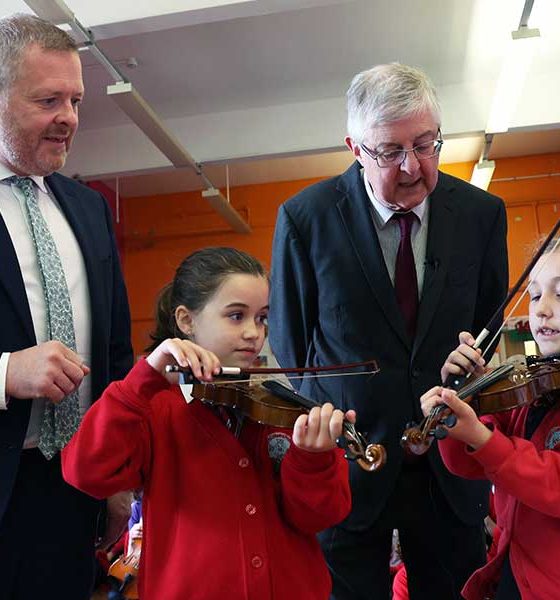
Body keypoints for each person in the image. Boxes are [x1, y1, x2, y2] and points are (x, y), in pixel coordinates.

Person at [268, 62, 509, 599]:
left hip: (449, 463)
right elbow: (291, 351)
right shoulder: (304, 219)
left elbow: (489, 329)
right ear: (354, 148)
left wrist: (477, 364)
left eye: (426, 145)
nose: (411, 166)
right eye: (390, 151)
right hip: (351, 461)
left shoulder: (482, 214)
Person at [62, 247, 353, 600]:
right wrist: (142, 380)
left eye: (261, 318)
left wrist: (312, 459)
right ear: (186, 320)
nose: (253, 333)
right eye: (236, 316)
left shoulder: (280, 410)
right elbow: (87, 471)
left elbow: (320, 517)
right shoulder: (153, 408)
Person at [0, 13, 133, 600]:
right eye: (49, 100)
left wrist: (117, 475)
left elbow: (115, 355)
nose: (70, 118)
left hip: (74, 488)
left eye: (76, 100)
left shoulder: (90, 209)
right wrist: (6, 371)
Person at [420, 242, 560, 600]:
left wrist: (485, 440)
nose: (541, 310)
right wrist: (462, 400)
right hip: (515, 573)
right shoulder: (531, 392)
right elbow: (468, 465)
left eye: (559, 294)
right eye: (533, 295)